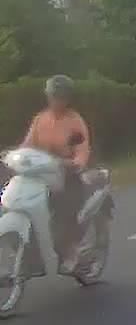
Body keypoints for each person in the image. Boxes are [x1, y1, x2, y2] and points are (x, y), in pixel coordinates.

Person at [20, 75, 91, 274]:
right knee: (21, 204)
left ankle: (70, 253)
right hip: (41, 174)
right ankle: (31, 260)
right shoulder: (40, 119)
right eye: (52, 96)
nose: (55, 100)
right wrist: (16, 156)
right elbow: (27, 145)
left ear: (68, 98)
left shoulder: (74, 121)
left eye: (60, 97)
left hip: (66, 175)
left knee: (62, 213)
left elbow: (82, 150)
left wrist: (74, 163)